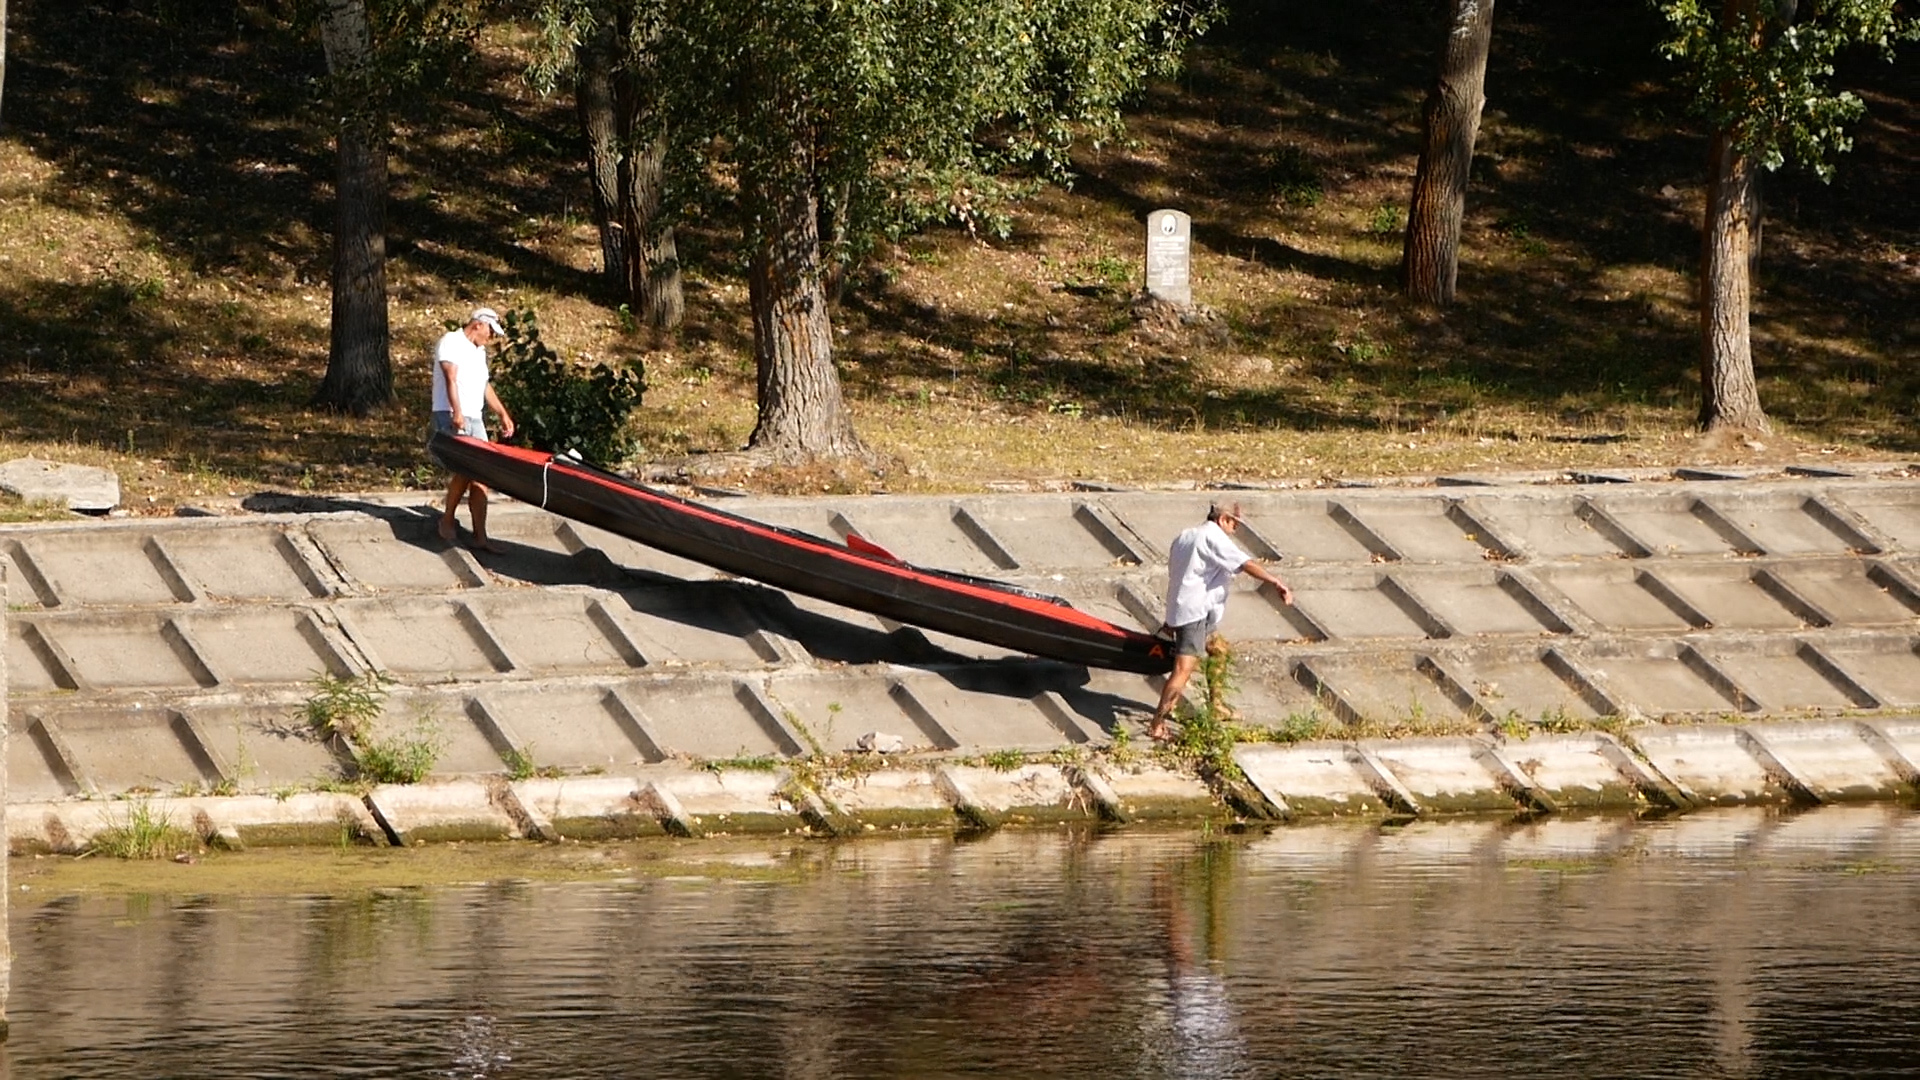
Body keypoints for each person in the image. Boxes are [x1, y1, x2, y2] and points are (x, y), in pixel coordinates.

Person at [1147, 501, 1292, 742]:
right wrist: (1275, 582)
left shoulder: (1185, 536)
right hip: (1193, 615)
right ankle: (1157, 724)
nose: (1235, 529)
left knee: (1219, 649)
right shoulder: (1213, 537)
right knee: (1183, 670)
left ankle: (1216, 705)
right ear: (1223, 519)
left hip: (1187, 608)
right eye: (1234, 524)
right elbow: (1246, 564)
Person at [431, 307, 516, 552]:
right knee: (466, 468)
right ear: (478, 324)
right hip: (450, 414)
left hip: (474, 417)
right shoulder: (451, 341)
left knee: (482, 474)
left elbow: (483, 385)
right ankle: (447, 519)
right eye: (490, 331)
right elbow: (451, 377)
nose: (491, 338)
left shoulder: (479, 352)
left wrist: (502, 413)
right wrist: (456, 412)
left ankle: (481, 536)